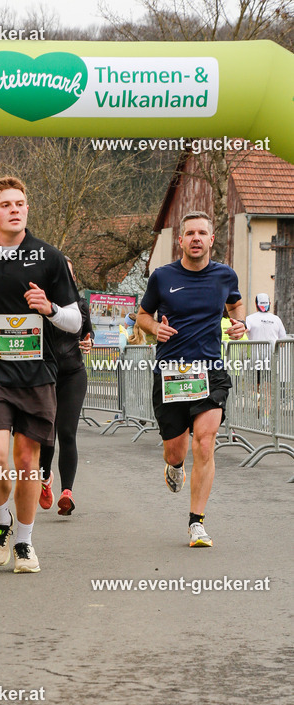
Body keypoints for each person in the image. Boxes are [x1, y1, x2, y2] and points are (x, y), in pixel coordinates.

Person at [0, 175, 81, 573]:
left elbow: (75, 321)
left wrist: (50, 309)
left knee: (27, 464)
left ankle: (23, 542)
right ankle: (1, 519)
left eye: (20, 203)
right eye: (6, 205)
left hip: (37, 375)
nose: (15, 210)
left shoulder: (50, 258)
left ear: (27, 209)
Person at [137, 210, 247, 548]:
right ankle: (174, 466)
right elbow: (142, 315)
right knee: (176, 451)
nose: (196, 238)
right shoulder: (162, 276)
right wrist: (155, 327)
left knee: (205, 440)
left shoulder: (225, 275)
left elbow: (236, 303)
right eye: (190, 233)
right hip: (171, 372)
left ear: (211, 240)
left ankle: (196, 523)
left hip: (210, 371)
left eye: (203, 233)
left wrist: (239, 323)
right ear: (180, 241)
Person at [38, 259, 92, 515]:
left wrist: (88, 344)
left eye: (69, 273)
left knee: (67, 432)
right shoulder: (39, 305)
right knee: (47, 435)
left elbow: (86, 335)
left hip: (73, 374)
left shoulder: (81, 305)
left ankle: (67, 493)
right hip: (45, 375)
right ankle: (45, 479)